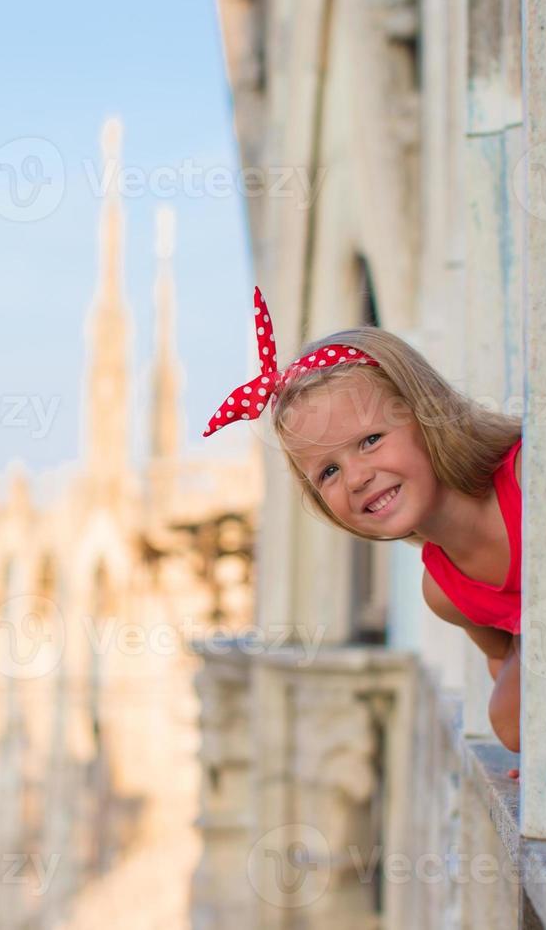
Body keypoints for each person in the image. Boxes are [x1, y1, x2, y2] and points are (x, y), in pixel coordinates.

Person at [203, 287, 524, 756]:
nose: (355, 478)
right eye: (328, 472)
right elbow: (504, 666)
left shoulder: (527, 482)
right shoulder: (445, 591)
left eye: (371, 440)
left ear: (427, 415)